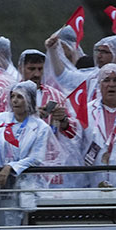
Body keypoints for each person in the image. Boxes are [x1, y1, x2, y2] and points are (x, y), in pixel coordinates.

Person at [0, 81, 52, 230]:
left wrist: (10, 167)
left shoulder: (40, 127)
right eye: (13, 97)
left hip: (19, 185)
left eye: (20, 97)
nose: (15, 101)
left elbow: (36, 158)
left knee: (11, 229)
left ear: (30, 100)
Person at [18, 49, 84, 188]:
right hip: (19, 162)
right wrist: (30, 117)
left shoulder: (56, 96)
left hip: (50, 166)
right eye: (31, 69)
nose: (36, 74)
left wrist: (64, 121)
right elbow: (1, 125)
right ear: (21, 68)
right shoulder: (11, 95)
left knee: (50, 207)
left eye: (40, 69)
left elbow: (74, 133)